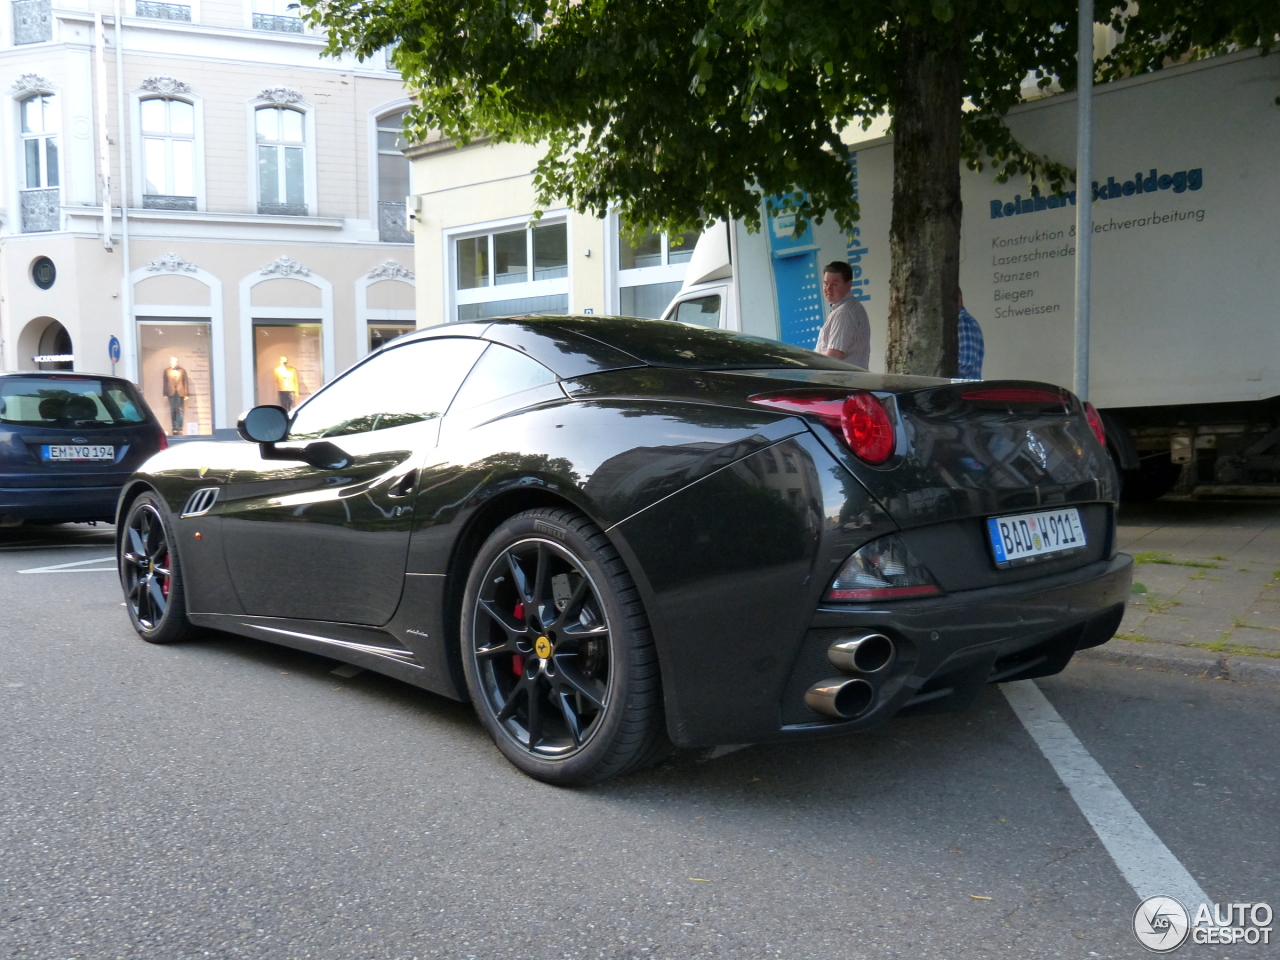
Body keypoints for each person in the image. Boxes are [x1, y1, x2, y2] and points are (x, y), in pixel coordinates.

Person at [816, 261, 871, 368]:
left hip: (841, 381)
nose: (828, 288)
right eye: (826, 283)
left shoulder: (844, 313)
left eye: (835, 284)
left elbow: (833, 357)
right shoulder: (850, 307)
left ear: (848, 285)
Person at [957, 290, 985, 380]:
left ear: (959, 298)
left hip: (959, 392)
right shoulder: (963, 321)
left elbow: (965, 363)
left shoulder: (963, 322)